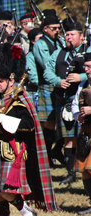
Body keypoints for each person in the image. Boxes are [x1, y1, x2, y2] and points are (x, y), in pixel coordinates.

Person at [0, 43, 57, 216]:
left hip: (13, 150)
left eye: (1, 81)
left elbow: (29, 124)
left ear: (11, 81)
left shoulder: (20, 99)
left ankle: (27, 212)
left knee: (6, 190)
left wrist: (7, 120)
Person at [44, 20, 89, 185]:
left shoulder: (88, 51)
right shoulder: (59, 53)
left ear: (81, 36)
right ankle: (71, 173)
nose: (69, 38)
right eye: (67, 34)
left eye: (72, 34)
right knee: (68, 137)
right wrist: (57, 81)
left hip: (85, 99)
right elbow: (47, 71)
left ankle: (85, 168)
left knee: (83, 135)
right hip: (65, 99)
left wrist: (81, 77)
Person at [33, 13, 64, 166]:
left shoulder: (59, 41)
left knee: (62, 120)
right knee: (49, 123)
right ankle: (45, 156)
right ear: (45, 29)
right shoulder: (40, 44)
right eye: (54, 28)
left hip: (60, 84)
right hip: (46, 85)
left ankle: (52, 152)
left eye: (59, 28)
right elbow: (47, 64)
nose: (57, 31)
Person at [72, 53, 91, 215]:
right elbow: (74, 104)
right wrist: (77, 114)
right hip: (86, 132)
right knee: (85, 170)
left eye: (89, 66)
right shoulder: (84, 83)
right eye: (86, 66)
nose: (87, 69)